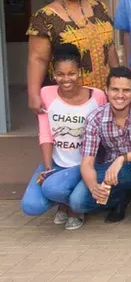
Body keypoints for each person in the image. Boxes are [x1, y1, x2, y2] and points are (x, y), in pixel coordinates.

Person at [68, 67, 131, 232]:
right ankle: (119, 198)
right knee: (77, 202)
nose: (120, 95)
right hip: (112, 171)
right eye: (115, 89)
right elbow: (87, 162)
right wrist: (94, 187)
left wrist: (121, 159)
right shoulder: (95, 119)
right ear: (106, 90)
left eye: (126, 90)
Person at [20, 44, 107, 230]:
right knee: (31, 205)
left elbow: (103, 135)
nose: (66, 79)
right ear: (53, 73)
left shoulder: (98, 97)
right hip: (58, 162)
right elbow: (45, 133)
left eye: (71, 73)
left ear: (80, 72)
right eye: (60, 74)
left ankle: (75, 208)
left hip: (84, 164)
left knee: (53, 188)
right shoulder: (46, 93)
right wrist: (48, 169)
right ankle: (63, 202)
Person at [26, 0, 118, 113]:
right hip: (69, 95)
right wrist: (33, 94)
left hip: (104, 93)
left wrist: (119, 80)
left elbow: (110, 47)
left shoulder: (99, 8)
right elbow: (38, 59)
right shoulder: (44, 17)